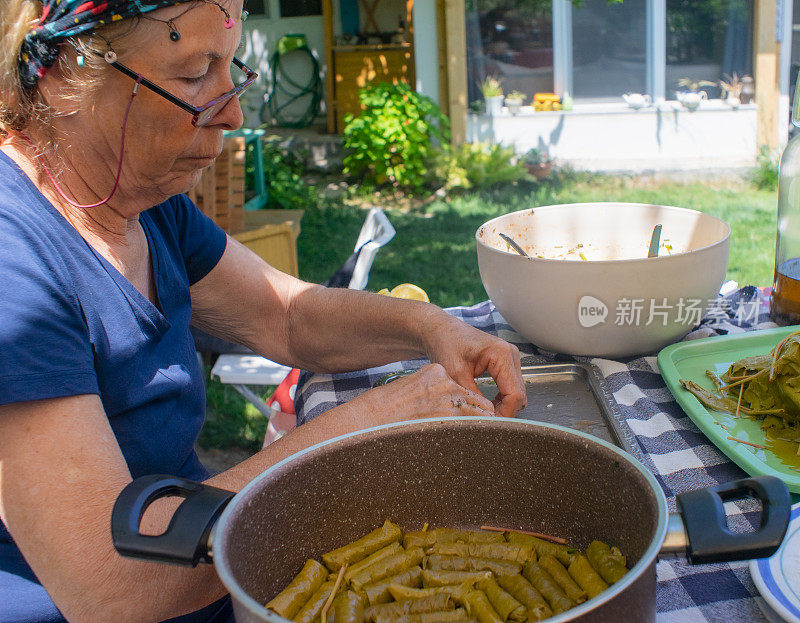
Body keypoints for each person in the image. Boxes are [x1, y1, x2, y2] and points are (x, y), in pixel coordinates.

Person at [0, 0, 526, 620]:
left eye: (231, 69)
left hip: (217, 576)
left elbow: (287, 316)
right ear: (65, 74)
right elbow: (113, 585)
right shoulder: (15, 266)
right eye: (195, 76)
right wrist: (356, 430)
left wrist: (429, 327)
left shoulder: (130, 192)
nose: (233, 113)